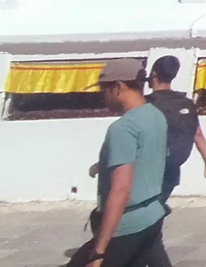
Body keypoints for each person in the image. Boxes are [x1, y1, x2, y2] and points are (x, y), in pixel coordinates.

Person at [69, 58, 171, 267]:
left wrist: (98, 252)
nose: (102, 96)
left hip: (127, 226)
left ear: (117, 87)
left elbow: (121, 190)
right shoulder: (155, 115)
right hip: (152, 215)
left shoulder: (123, 128)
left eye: (104, 90)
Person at [145, 56, 206, 205]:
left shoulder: (145, 103)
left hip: (147, 170)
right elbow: (197, 134)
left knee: (145, 213)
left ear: (154, 74)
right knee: (157, 207)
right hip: (172, 169)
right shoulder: (186, 103)